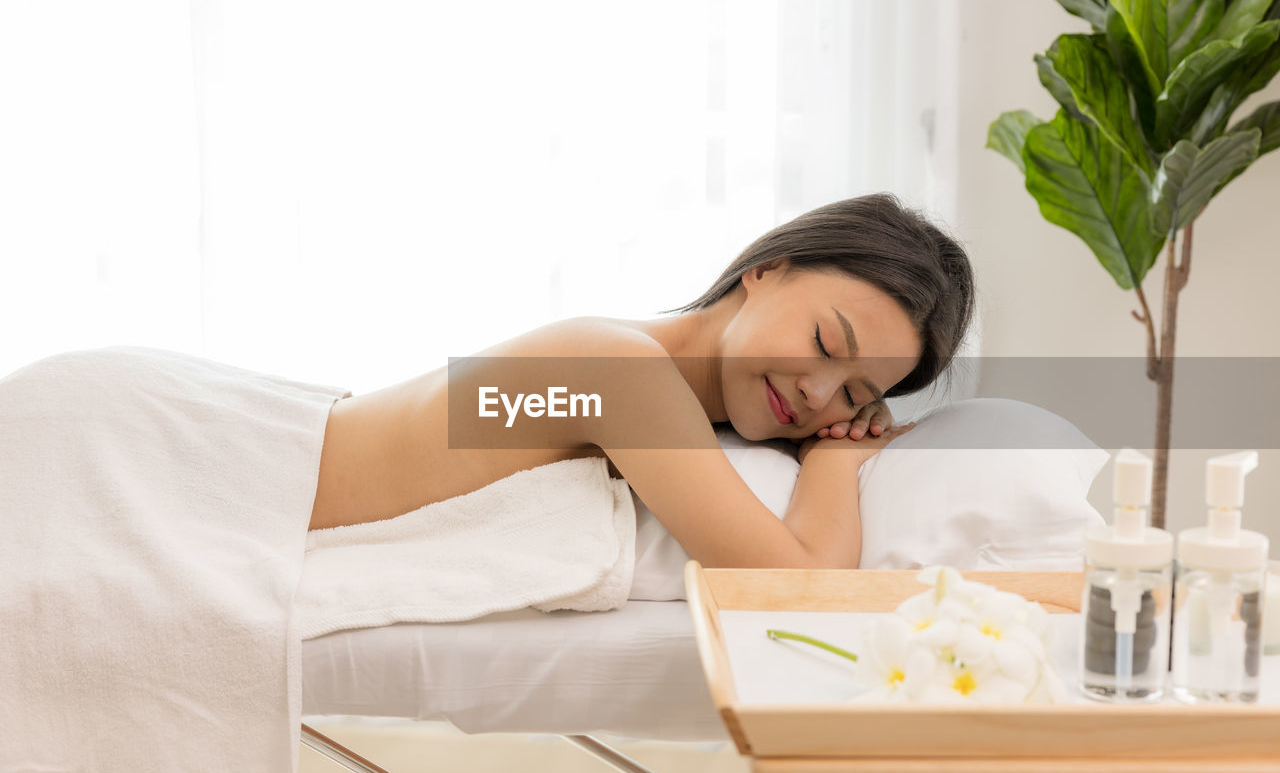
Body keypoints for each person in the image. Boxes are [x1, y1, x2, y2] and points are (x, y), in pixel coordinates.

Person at [308, 192, 975, 569]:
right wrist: (837, 456)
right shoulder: (624, 373)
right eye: (827, 343)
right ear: (768, 268)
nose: (818, 396)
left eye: (857, 395)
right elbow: (797, 582)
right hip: (256, 470)